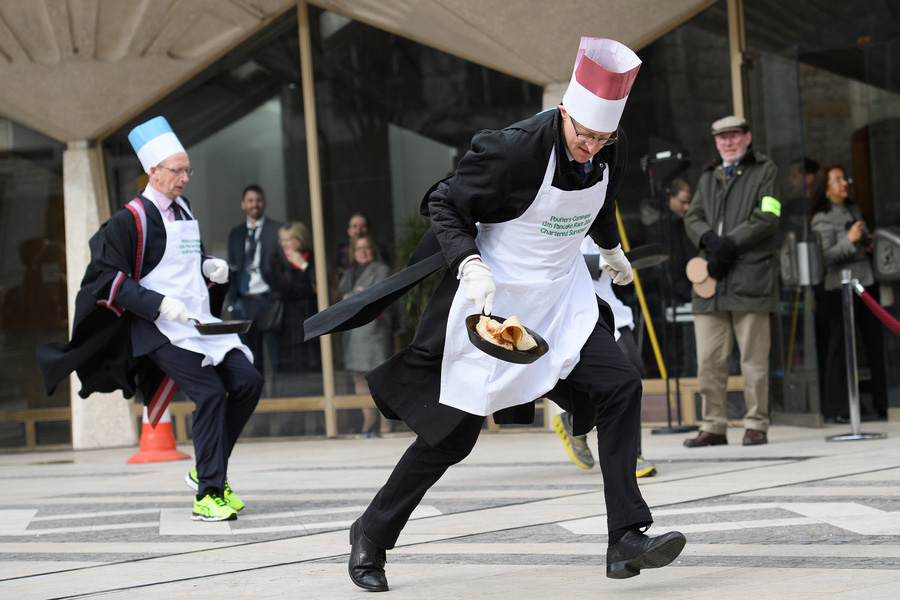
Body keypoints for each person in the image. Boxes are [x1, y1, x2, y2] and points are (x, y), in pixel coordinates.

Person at [306, 37, 686, 592]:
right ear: (564, 114)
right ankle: (371, 531)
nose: (592, 146)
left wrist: (610, 250)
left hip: (560, 301)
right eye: (584, 134)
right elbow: (444, 203)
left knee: (622, 382)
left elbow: (600, 199)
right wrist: (470, 265)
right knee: (452, 438)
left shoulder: (608, 145)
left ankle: (625, 536)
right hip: (493, 304)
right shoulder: (512, 150)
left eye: (603, 138)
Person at [37, 116, 263, 522]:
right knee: (210, 394)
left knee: (249, 382)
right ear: (153, 171)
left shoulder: (184, 209)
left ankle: (204, 469)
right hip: (156, 329)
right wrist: (158, 304)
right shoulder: (128, 220)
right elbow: (108, 279)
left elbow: (182, 263)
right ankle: (208, 493)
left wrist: (211, 267)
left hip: (197, 321)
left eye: (187, 170)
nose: (184, 178)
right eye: (177, 171)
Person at [682, 115, 780, 447]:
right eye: (722, 137)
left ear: (747, 137)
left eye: (734, 136)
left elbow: (769, 214)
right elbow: (693, 216)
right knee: (708, 359)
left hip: (750, 278)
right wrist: (709, 238)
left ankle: (756, 423)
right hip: (711, 282)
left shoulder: (765, 170)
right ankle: (714, 425)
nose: (728, 142)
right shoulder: (709, 175)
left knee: (753, 360)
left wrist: (732, 242)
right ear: (715, 142)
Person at [553, 238, 656, 478]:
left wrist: (612, 259)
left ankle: (574, 419)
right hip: (575, 309)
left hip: (610, 306)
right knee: (623, 378)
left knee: (633, 373)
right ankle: (633, 456)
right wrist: (604, 260)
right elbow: (555, 261)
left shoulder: (594, 209)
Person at [809, 164, 887, 422]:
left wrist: (867, 243)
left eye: (845, 178)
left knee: (875, 344)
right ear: (826, 188)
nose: (844, 183)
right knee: (840, 348)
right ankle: (840, 408)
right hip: (839, 288)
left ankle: (882, 404)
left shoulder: (854, 209)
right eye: (838, 180)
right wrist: (849, 240)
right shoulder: (821, 217)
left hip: (866, 283)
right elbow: (824, 257)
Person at [338, 234, 394, 437]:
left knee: (378, 379)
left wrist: (351, 297)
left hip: (373, 333)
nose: (362, 251)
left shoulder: (382, 270)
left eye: (367, 247)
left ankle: (384, 426)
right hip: (354, 335)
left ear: (374, 250)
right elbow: (341, 299)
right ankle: (367, 423)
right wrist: (353, 296)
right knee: (358, 380)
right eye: (358, 248)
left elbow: (372, 296)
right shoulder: (349, 273)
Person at [227, 184, 283, 374]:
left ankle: (280, 398)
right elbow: (233, 269)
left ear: (264, 203)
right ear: (243, 204)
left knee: (277, 356)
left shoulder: (276, 229)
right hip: (244, 301)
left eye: (258, 200)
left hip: (269, 298)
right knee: (250, 358)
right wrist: (232, 302)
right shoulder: (235, 234)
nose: (255, 204)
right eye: (250, 201)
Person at [268, 222, 320, 379]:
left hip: (311, 315)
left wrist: (304, 265)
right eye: (281, 240)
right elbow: (283, 290)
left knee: (313, 361)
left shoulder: (312, 257)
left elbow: (320, 285)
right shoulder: (277, 260)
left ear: (300, 239)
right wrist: (308, 289)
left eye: (288, 239)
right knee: (291, 364)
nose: (284, 244)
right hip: (288, 320)